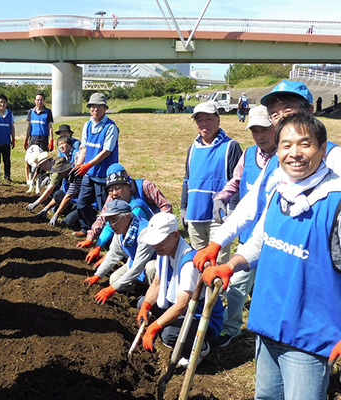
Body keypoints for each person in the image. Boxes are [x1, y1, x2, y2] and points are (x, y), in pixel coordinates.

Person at [201, 113, 341, 399]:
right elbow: (260, 241)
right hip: (267, 326)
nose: (295, 154)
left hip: (308, 338)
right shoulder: (280, 191)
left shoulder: (335, 203)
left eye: (305, 144)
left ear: (323, 149)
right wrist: (231, 264)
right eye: (286, 145)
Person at [193, 80, 341, 271]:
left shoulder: (333, 157)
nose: (282, 119)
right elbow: (251, 205)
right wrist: (217, 242)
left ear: (310, 111)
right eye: (275, 114)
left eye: (288, 111)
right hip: (275, 261)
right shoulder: (275, 161)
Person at [209, 105, 276, 348]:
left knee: (266, 286)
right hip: (248, 235)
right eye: (254, 130)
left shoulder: (285, 158)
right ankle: (231, 327)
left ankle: (266, 331)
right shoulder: (248, 155)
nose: (259, 136)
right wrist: (222, 197)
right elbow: (236, 181)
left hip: (275, 236)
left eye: (264, 130)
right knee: (237, 284)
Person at [137, 212, 223, 366]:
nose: (156, 246)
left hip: (199, 316)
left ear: (175, 235)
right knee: (142, 302)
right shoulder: (163, 253)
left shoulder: (188, 262)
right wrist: (145, 306)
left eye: (160, 241)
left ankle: (202, 347)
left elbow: (182, 304)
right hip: (180, 308)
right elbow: (157, 283)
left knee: (169, 334)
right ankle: (161, 326)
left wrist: (154, 327)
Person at [180, 101, 242, 263]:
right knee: (199, 262)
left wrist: (233, 211)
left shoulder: (230, 146)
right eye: (199, 120)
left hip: (219, 217)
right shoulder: (192, 149)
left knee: (218, 263)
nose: (203, 124)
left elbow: (237, 182)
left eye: (208, 119)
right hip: (195, 215)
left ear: (218, 119)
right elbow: (187, 180)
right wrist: (183, 207)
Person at [77, 163, 172, 265]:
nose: (114, 193)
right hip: (126, 227)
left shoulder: (145, 186)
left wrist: (161, 228)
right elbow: (104, 219)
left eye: (117, 187)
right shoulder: (113, 197)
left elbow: (166, 206)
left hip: (149, 227)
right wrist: (91, 240)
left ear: (128, 185)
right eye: (111, 189)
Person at [84, 200, 155, 304]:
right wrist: (97, 275)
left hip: (156, 266)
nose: (111, 225)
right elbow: (113, 255)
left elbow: (138, 267)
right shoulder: (121, 230)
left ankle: (155, 295)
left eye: (114, 219)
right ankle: (141, 289)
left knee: (151, 267)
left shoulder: (144, 232)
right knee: (114, 279)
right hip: (135, 263)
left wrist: (110, 290)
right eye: (108, 220)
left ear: (127, 216)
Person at [73, 92, 119, 237]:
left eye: (99, 107)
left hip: (103, 175)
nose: (95, 110)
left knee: (104, 207)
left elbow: (106, 151)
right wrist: (79, 166)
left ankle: (106, 235)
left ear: (105, 108)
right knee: (82, 203)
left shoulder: (110, 127)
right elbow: (84, 148)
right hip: (89, 174)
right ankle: (87, 228)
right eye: (92, 107)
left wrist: (88, 165)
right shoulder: (87, 125)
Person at [24, 92, 54, 186]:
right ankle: (29, 180)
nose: (39, 102)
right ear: (34, 101)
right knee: (30, 159)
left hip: (43, 139)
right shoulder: (31, 112)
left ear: (43, 101)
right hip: (33, 138)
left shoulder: (48, 112)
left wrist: (51, 140)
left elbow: (50, 127)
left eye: (41, 99)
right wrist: (26, 139)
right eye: (37, 99)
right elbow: (29, 126)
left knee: (43, 160)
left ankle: (42, 180)